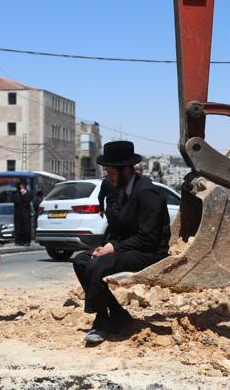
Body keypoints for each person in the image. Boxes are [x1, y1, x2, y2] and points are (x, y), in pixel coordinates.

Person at [72, 141, 170, 346]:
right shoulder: (121, 190)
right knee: (82, 260)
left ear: (126, 170)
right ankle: (117, 314)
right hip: (129, 248)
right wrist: (106, 246)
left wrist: (112, 248)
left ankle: (101, 321)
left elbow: (148, 238)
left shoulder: (146, 192)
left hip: (150, 252)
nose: (109, 178)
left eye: (111, 173)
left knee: (99, 264)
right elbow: (120, 230)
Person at [13, 181, 33, 246]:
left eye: (23, 185)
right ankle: (19, 241)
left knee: (26, 228)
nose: (21, 187)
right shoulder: (16, 194)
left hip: (26, 214)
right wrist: (22, 195)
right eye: (20, 186)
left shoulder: (29, 193)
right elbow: (18, 202)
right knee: (18, 228)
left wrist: (24, 194)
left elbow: (27, 202)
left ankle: (27, 241)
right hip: (18, 214)